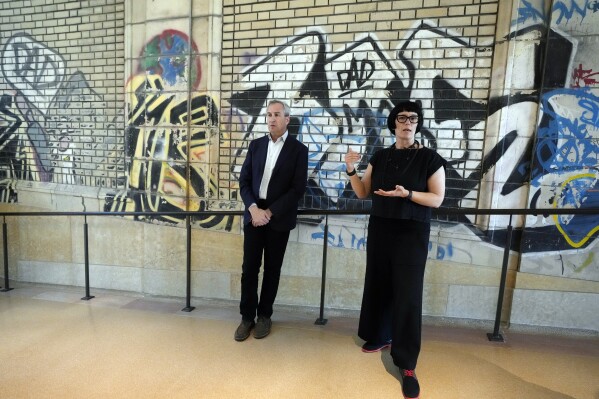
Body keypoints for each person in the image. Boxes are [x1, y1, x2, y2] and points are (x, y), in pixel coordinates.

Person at [344, 100, 446, 399]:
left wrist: (408, 194)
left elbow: (437, 198)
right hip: (381, 228)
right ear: (394, 123)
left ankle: (407, 364)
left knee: (408, 296)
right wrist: (351, 168)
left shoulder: (430, 158)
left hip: (411, 232)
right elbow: (363, 192)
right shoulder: (381, 156)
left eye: (413, 118)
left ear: (418, 123)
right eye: (402, 117)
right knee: (378, 285)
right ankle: (378, 336)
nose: (407, 122)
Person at [235, 99, 309, 342]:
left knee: (272, 270)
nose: (271, 119)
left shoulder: (299, 150)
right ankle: (247, 318)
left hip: (278, 218)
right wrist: (254, 208)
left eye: (277, 114)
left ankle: (265, 316)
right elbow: (244, 181)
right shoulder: (255, 146)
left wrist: (270, 211)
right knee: (249, 269)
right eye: (268, 114)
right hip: (254, 215)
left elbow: (298, 189)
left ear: (287, 119)